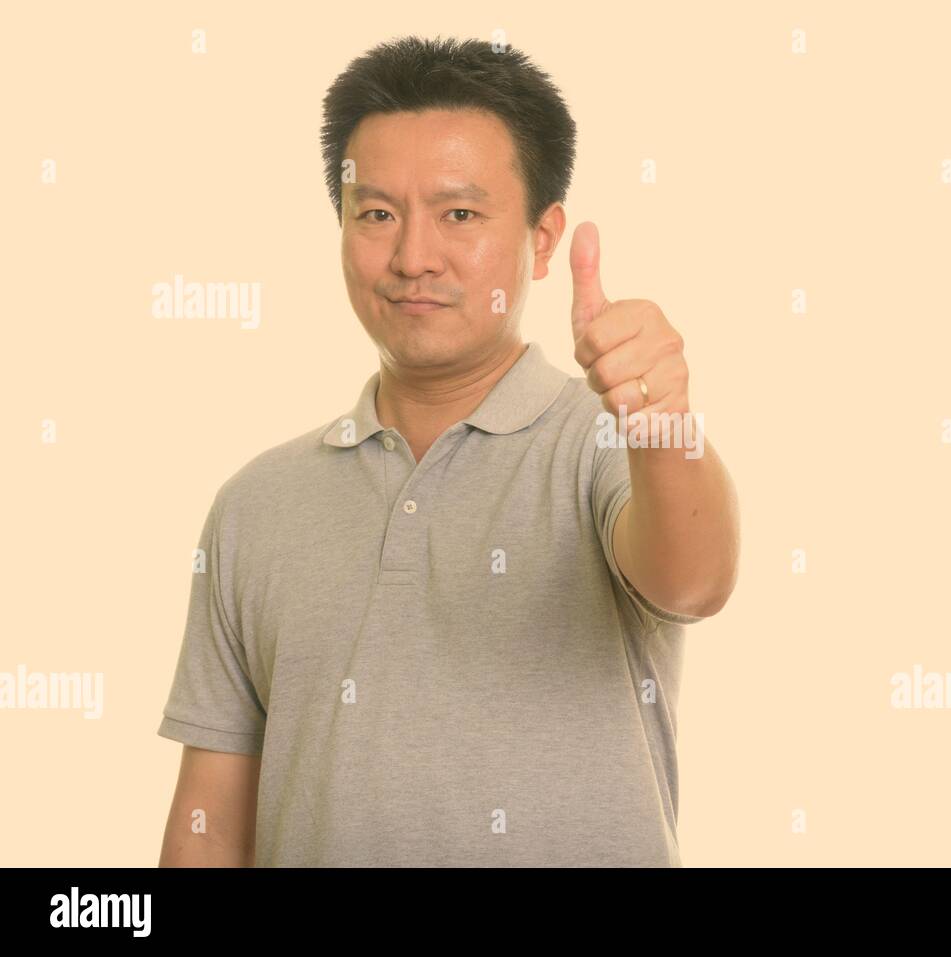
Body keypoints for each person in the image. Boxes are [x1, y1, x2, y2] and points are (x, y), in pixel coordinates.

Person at [156, 35, 740, 867]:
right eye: (377, 214)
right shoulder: (254, 503)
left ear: (542, 240)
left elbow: (696, 578)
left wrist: (662, 426)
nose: (412, 257)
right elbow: (210, 819)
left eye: (459, 214)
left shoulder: (603, 445)